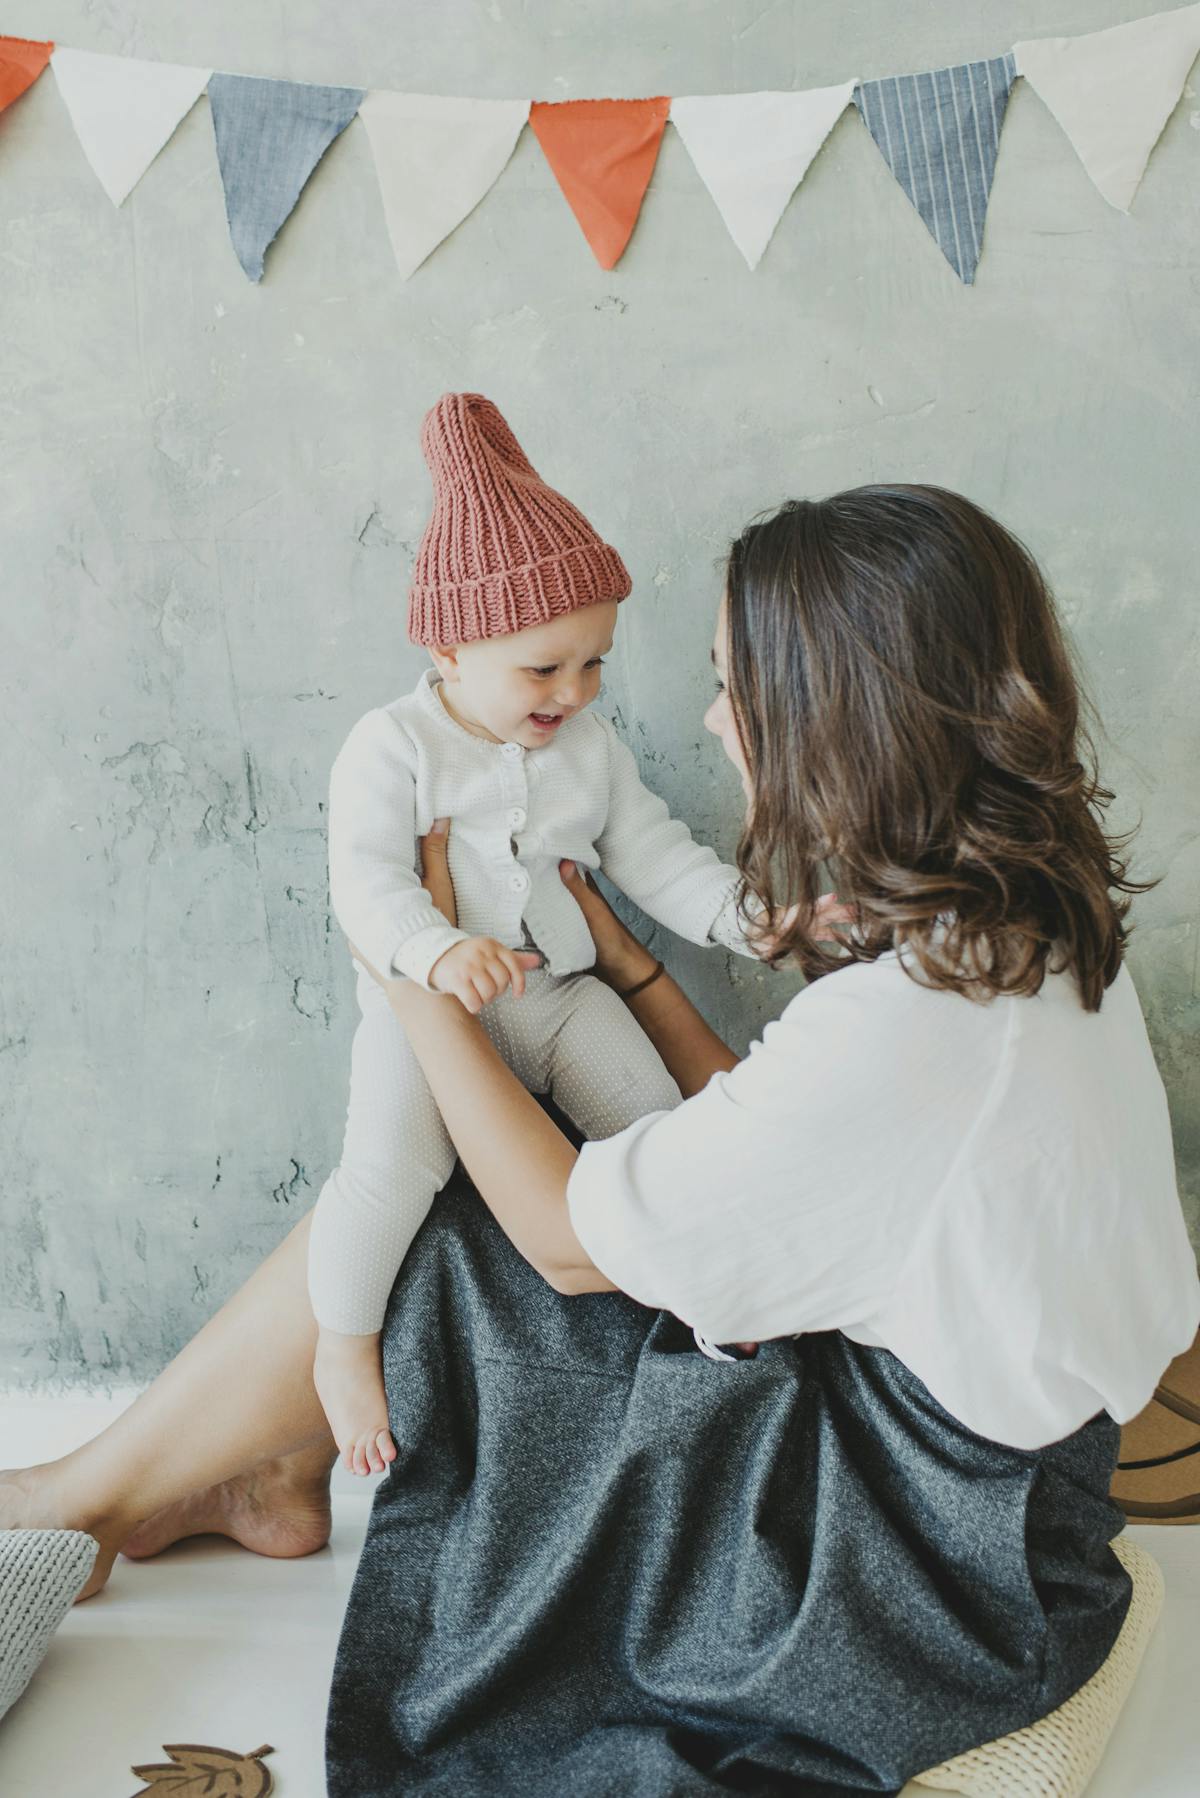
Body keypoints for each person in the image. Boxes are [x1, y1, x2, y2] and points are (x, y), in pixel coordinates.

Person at [3, 484, 1198, 1787]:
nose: (710, 723)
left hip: (922, 1567)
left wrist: (406, 970)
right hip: (1018, 1508)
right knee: (475, 1181)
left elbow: (574, 1243)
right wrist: (638, 980)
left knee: (465, 1233)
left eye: (737, 692)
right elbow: (778, 1139)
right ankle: (216, 1471)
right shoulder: (1019, 936)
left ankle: (96, 1493)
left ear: (832, 719)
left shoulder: (912, 1030)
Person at [310, 391, 767, 1474]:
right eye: (544, 669)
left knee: (656, 1127)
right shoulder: (392, 745)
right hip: (426, 1021)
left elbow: (651, 855)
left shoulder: (589, 746)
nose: (574, 691)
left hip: (561, 998)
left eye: (593, 663)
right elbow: (363, 883)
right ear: (449, 646)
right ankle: (342, 1341)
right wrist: (433, 951)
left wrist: (746, 922)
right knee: (385, 1175)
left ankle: (712, 1306)